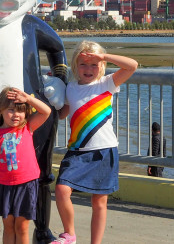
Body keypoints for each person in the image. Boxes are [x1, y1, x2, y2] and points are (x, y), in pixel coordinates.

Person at [51, 41, 138, 244]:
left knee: (99, 202)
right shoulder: (70, 88)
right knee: (62, 189)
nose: (88, 69)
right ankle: (69, 234)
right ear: (75, 65)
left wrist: (104, 57)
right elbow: (62, 114)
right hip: (77, 151)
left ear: (101, 66)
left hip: (104, 150)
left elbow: (132, 65)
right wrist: (53, 88)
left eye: (93, 64)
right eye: (83, 64)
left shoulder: (107, 83)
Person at [0, 87, 53, 244]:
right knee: (8, 227)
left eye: (20, 111)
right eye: (11, 110)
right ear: (1, 110)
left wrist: (28, 98)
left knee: (22, 227)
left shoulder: (27, 128)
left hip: (26, 185)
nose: (16, 115)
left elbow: (46, 111)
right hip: (3, 185)